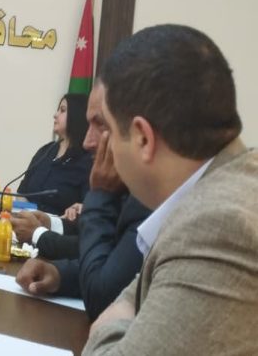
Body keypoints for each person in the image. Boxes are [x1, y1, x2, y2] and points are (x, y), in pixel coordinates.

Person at [83, 25, 257, 355]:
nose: (101, 145)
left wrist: (107, 326)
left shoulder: (219, 225)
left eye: (109, 129)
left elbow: (119, 312)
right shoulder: (214, 190)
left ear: (143, 139)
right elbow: (133, 297)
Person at [14, 81, 151, 319]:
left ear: (141, 134)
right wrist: (59, 274)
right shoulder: (47, 151)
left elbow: (102, 292)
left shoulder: (145, 200)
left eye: (100, 124)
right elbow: (110, 267)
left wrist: (100, 193)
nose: (88, 142)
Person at [17, 94, 93, 215]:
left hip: (57, 225)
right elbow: (22, 193)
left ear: (77, 115)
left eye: (62, 110)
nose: (55, 115)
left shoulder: (87, 162)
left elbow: (85, 210)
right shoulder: (45, 151)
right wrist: (26, 213)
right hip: (27, 222)